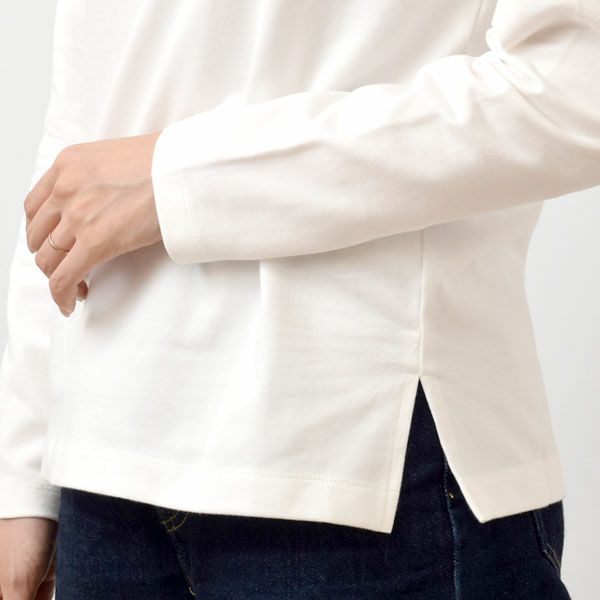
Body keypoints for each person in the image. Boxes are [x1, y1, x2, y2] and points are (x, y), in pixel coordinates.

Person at [0, 0, 598, 597]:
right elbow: (80, 131)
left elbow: (572, 87)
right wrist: (23, 473)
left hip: (359, 457)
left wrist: (179, 180)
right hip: (101, 476)